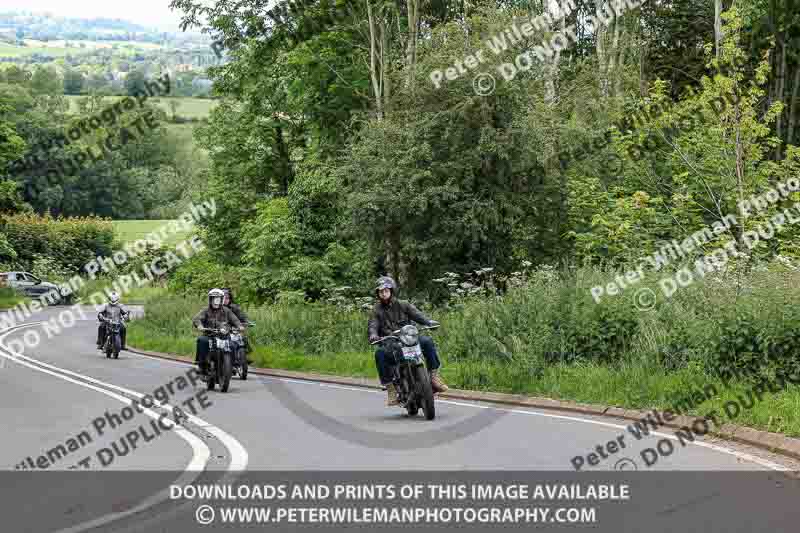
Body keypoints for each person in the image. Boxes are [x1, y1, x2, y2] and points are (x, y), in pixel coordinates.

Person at [367, 276, 449, 406]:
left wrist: (428, 322)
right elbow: (373, 325)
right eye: (381, 291)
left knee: (427, 341)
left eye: (386, 290)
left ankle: (433, 376)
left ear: (392, 291)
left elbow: (418, 315)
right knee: (380, 354)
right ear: (378, 294)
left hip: (409, 339)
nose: (384, 293)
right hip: (391, 342)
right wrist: (373, 335)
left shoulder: (403, 304)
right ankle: (391, 389)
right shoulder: (376, 311)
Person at [192, 288, 242, 376]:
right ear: (210, 299)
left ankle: (232, 365)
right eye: (214, 298)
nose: (216, 301)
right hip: (209, 335)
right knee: (201, 340)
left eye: (218, 299)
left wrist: (239, 326)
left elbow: (234, 319)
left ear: (221, 300)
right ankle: (202, 364)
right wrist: (200, 326)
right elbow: (197, 319)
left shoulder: (226, 310)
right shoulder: (205, 310)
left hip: (224, 336)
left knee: (233, 345)